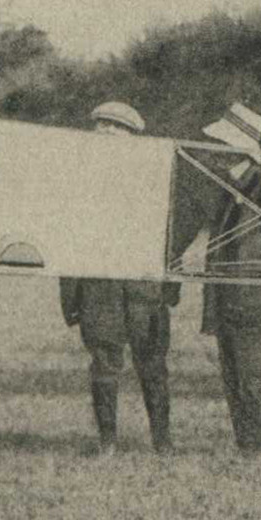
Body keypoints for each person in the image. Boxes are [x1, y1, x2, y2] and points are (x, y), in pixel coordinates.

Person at [58, 101, 178, 452]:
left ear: (133, 136)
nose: (107, 132)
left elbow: (171, 237)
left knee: (153, 364)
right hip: (100, 290)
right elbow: (69, 243)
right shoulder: (78, 186)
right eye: (102, 125)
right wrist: (72, 300)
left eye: (116, 127)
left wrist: (168, 289)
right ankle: (107, 441)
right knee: (104, 365)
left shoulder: (154, 180)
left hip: (144, 288)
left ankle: (163, 440)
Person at [195, 102, 261, 453]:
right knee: (233, 378)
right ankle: (245, 442)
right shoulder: (225, 188)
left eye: (222, 145)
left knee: (255, 378)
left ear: (239, 149)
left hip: (255, 300)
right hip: (225, 298)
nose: (216, 153)